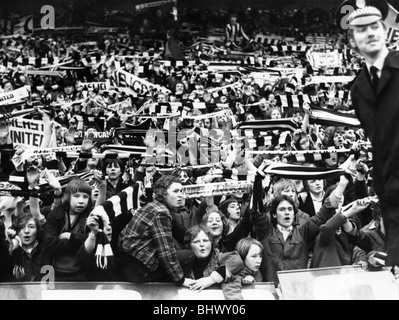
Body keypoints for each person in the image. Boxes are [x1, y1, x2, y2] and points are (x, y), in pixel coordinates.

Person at [345, 1, 399, 270]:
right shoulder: (358, 90)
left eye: (375, 26)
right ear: (353, 41)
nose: (370, 33)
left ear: (384, 31)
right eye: (361, 29)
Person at [118, 175, 194, 285]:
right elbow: (166, 253)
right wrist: (180, 280)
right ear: (163, 194)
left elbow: (180, 233)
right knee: (189, 256)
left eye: (181, 191)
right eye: (176, 191)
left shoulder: (153, 206)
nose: (180, 195)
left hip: (129, 264)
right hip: (138, 272)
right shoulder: (161, 213)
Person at [43, 177, 94, 281]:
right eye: (76, 196)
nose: (81, 201)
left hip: (81, 273)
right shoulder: (56, 214)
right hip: (54, 272)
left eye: (85, 197)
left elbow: (94, 239)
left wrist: (71, 236)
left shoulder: (90, 216)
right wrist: (81, 242)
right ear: (68, 197)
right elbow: (49, 243)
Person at [182, 225, 244, 294]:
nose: (202, 244)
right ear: (188, 245)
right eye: (196, 241)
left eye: (205, 240)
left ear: (211, 243)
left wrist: (212, 279)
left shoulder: (218, 258)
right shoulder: (183, 262)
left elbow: (237, 260)